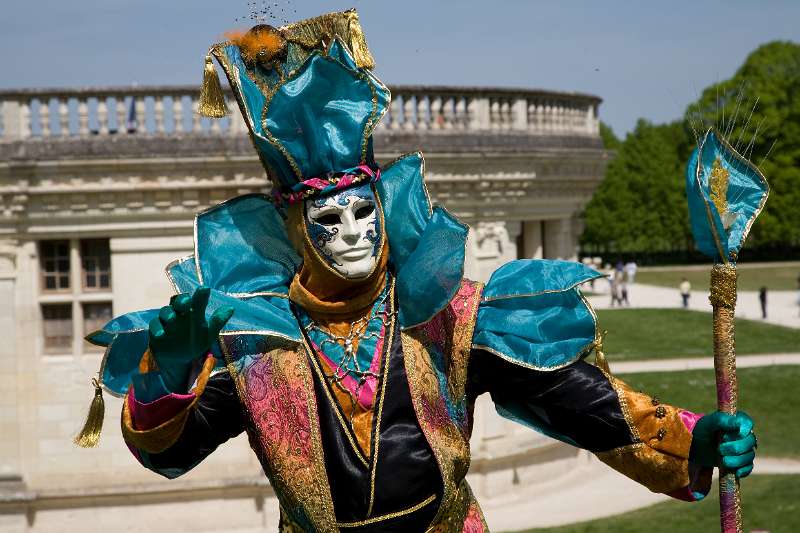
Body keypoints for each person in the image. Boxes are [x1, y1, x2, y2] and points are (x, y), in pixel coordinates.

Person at [78, 11, 757, 531]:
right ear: (296, 230)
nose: (352, 232)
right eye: (328, 218)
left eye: (363, 210)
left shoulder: (446, 312)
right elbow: (170, 452)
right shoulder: (257, 341)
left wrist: (691, 436)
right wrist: (164, 379)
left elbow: (577, 401)